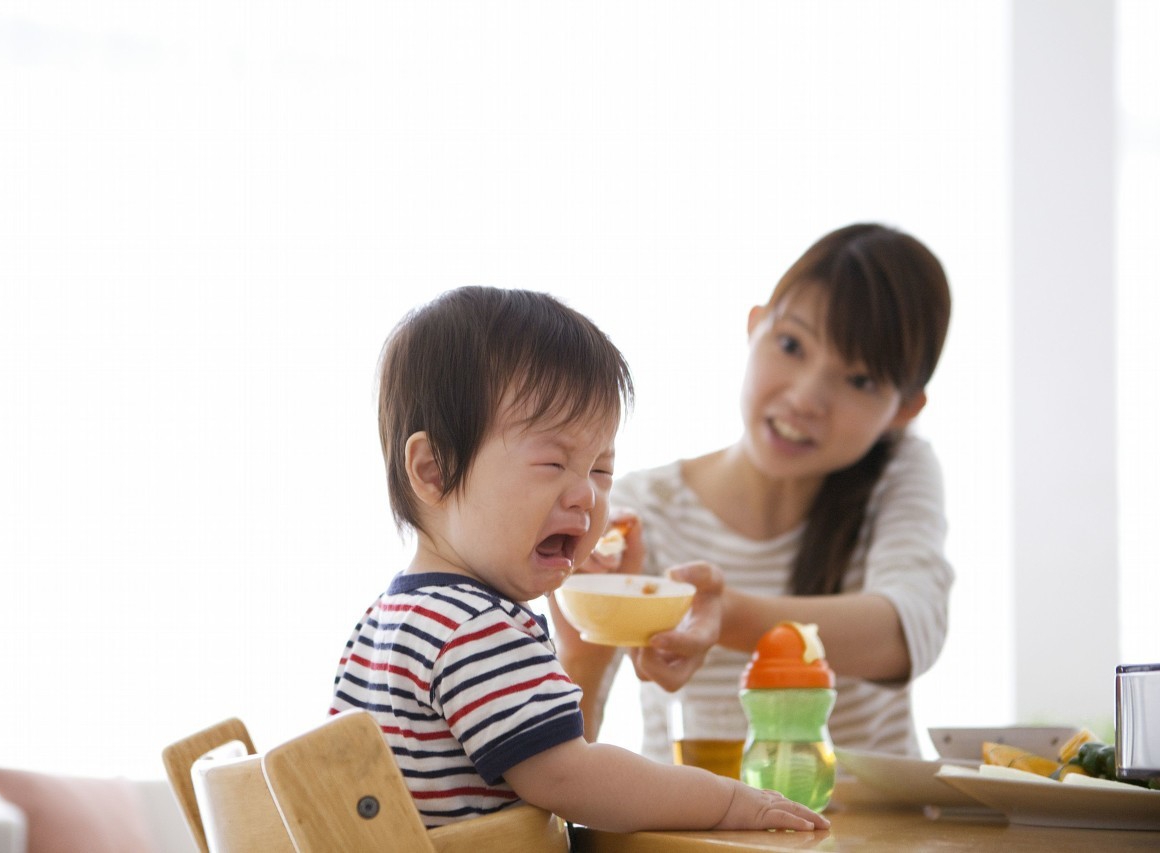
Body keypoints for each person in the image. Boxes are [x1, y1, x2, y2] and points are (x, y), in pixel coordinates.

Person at [329, 286, 829, 833]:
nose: (585, 497)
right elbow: (573, 780)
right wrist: (732, 803)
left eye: (600, 470)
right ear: (434, 470)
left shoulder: (386, 622)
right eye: (552, 463)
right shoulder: (476, 627)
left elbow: (541, 758)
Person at [557, 223, 953, 763]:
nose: (807, 397)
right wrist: (581, 652)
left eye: (859, 380)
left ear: (904, 412)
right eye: (791, 345)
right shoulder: (642, 510)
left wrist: (721, 614)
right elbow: (562, 762)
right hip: (697, 836)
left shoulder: (898, 473)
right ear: (754, 327)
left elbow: (908, 630)